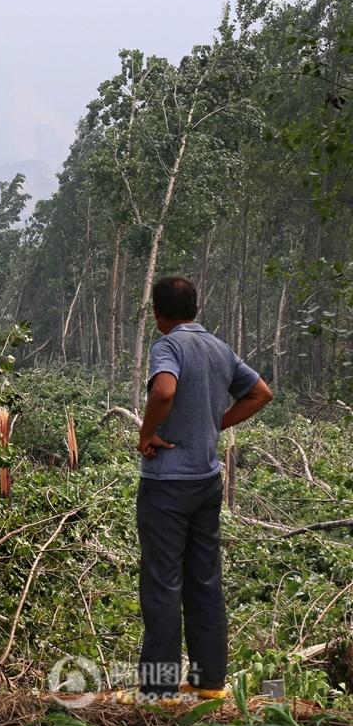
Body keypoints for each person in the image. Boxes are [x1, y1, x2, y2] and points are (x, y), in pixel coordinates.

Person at [125, 276, 273, 704]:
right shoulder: (219, 348)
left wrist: (147, 433)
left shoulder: (167, 346)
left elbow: (165, 390)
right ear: (194, 308)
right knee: (204, 580)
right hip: (207, 481)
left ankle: (159, 690)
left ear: (158, 315)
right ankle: (209, 684)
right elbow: (261, 393)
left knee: (162, 583)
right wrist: (216, 425)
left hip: (167, 484)